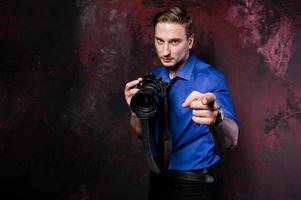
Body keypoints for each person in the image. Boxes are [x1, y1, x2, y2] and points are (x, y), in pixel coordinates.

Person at [124, 6, 239, 200]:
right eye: (159, 41)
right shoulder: (153, 77)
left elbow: (231, 140)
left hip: (193, 184)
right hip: (158, 178)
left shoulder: (211, 79)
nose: (165, 51)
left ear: (190, 41)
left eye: (175, 42)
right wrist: (137, 112)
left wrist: (217, 119)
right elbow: (140, 134)